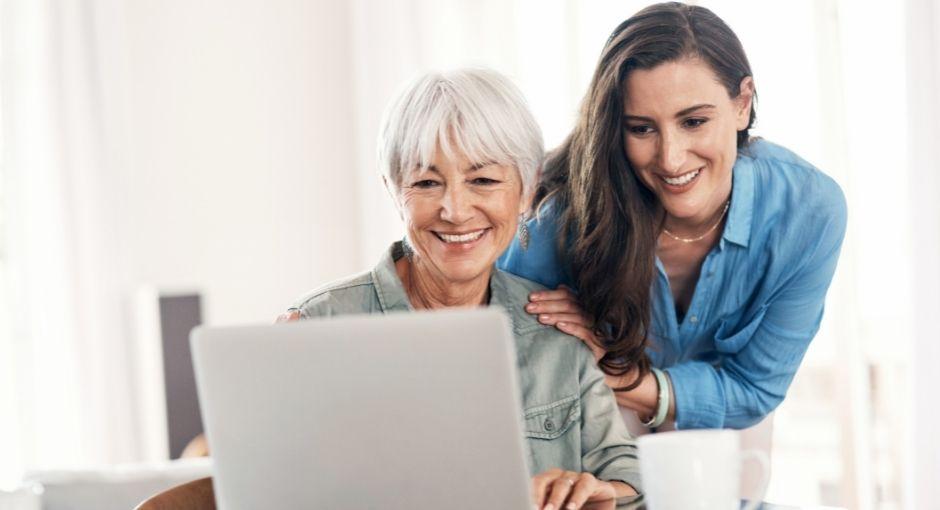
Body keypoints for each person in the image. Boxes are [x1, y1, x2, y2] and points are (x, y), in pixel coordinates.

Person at [280, 68, 641, 510]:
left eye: (483, 180)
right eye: (427, 183)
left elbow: (628, 474)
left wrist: (600, 492)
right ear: (394, 191)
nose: (455, 210)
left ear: (527, 190)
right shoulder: (319, 326)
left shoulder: (556, 333)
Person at [499, 1, 847, 436]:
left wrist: (623, 374)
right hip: (592, 424)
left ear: (742, 103)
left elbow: (754, 390)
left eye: (694, 121)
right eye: (642, 128)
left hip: (724, 431)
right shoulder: (561, 218)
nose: (670, 157)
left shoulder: (808, 211)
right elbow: (507, 366)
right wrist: (559, 345)